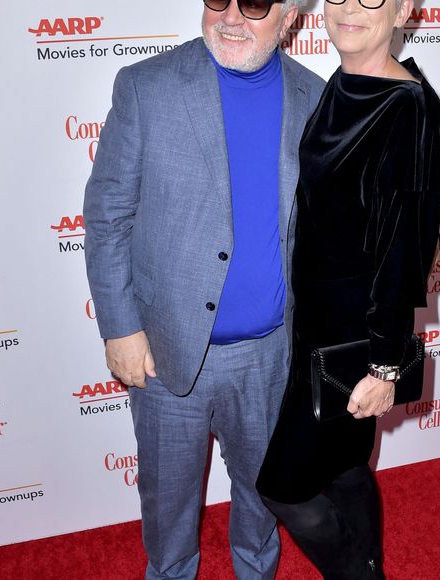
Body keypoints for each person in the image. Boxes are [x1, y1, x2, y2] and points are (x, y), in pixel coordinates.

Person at [83, 1, 324, 578]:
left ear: (290, 15)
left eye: (257, 4)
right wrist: (120, 327)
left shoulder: (314, 99)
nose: (232, 18)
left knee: (264, 497)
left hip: (272, 354)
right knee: (168, 506)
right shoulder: (146, 87)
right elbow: (106, 215)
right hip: (167, 352)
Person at [256, 0, 440, 578]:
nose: (348, 10)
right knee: (343, 467)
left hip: (355, 340)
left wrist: (385, 364)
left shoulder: (407, 108)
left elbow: (405, 250)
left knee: (284, 488)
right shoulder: (342, 84)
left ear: (404, 8)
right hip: (314, 324)